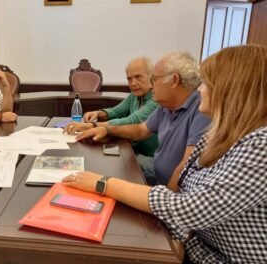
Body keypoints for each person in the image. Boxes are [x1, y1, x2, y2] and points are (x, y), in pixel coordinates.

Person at [63, 45, 267, 263]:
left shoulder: (260, 146)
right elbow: (185, 188)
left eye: (206, 83)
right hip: (197, 244)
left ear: (232, 89)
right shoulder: (220, 133)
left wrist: (102, 183)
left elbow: (187, 207)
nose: (200, 89)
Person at [70, 51, 211, 189]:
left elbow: (184, 168)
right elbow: (141, 129)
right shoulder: (166, 105)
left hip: (169, 189)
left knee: (108, 176)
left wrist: (161, 205)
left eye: (154, 79)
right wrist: (107, 128)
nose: (151, 85)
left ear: (174, 80)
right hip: (159, 181)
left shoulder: (202, 109)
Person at [65, 57, 159, 173]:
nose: (133, 83)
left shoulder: (158, 98)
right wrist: (98, 113)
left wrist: (91, 126)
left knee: (112, 169)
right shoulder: (135, 95)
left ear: (151, 77)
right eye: (129, 79)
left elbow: (132, 121)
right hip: (132, 149)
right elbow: (116, 111)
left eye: (138, 77)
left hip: (150, 158)